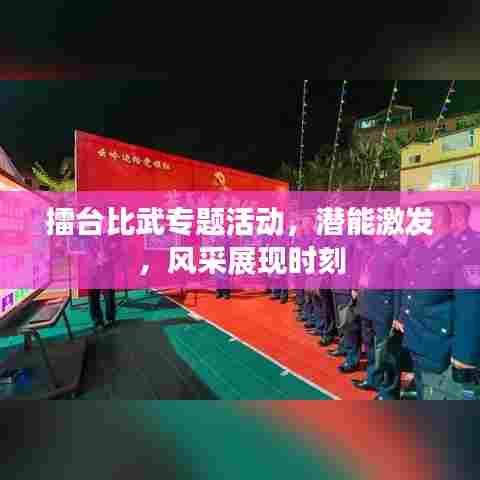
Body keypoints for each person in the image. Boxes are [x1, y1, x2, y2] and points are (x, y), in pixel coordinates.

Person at [393, 202, 480, 400]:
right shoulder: (422, 249)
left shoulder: (464, 253)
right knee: (424, 389)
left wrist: (464, 356)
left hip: (440, 345)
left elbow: (471, 308)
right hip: (419, 337)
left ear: (434, 221)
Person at [351, 234, 406, 395]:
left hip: (383, 307)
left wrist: (398, 315)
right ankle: (373, 379)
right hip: (366, 303)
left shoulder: (398, 250)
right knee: (369, 344)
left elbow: (399, 286)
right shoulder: (368, 246)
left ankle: (389, 391)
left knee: (387, 351)